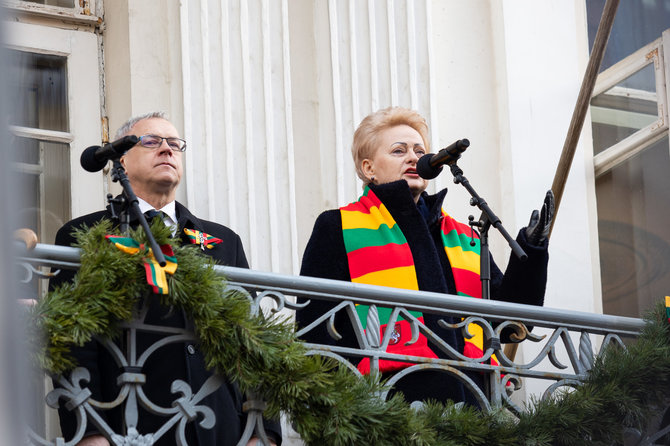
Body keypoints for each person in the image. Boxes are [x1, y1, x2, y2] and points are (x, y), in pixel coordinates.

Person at [50, 112, 280, 446]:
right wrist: (89, 432)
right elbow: (71, 342)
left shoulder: (222, 240)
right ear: (122, 162)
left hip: (220, 428)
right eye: (151, 141)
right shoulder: (83, 234)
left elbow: (254, 339)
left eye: (174, 144)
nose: (167, 150)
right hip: (130, 423)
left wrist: (264, 432)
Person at [296, 106, 553, 405]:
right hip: (387, 408)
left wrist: (532, 251)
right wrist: (333, 412)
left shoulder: (465, 236)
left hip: (474, 408)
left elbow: (510, 325)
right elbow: (315, 331)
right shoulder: (338, 226)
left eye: (420, 150)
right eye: (398, 150)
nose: (413, 157)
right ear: (369, 169)